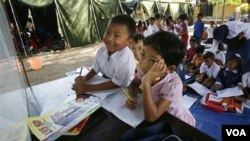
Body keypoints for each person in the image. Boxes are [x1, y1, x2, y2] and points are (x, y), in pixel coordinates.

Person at [126, 31, 195, 126]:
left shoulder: (173, 84)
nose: (143, 63)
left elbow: (151, 117)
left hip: (174, 121)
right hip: (156, 114)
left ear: (169, 69)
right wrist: (132, 96)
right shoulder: (144, 69)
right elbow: (134, 84)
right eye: (143, 55)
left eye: (152, 60)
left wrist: (146, 82)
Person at [72, 14, 136, 95]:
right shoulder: (101, 51)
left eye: (117, 36)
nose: (109, 38)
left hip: (122, 91)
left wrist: (87, 88)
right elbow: (95, 68)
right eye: (107, 32)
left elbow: (117, 83)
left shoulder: (126, 59)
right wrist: (85, 78)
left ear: (129, 42)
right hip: (104, 85)